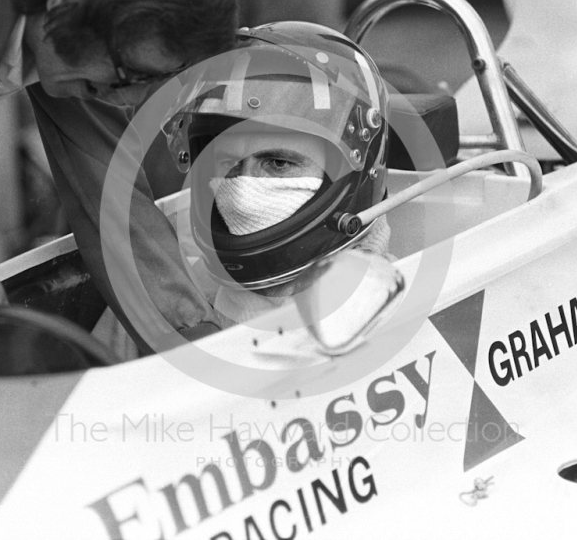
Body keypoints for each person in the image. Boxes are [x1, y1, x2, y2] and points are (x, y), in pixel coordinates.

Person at [0, 0, 238, 351]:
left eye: (157, 79)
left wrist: (193, 341)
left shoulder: (82, 34)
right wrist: (8, 374)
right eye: (130, 75)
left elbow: (111, 201)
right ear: (64, 1)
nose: (129, 98)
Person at [164, 22, 402, 333]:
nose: (242, 195)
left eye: (278, 163)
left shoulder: (397, 312)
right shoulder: (171, 281)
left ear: (352, 172)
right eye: (228, 162)